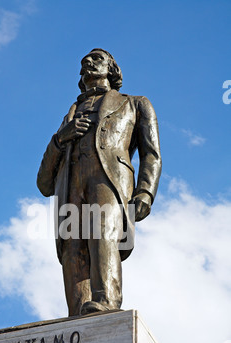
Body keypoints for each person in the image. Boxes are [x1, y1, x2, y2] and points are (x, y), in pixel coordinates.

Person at [37, 49, 162, 316]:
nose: (88, 63)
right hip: (70, 185)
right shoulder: (69, 116)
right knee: (72, 250)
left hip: (109, 182)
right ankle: (77, 314)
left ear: (112, 69)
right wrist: (60, 139)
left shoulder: (135, 103)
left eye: (96, 59)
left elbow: (152, 155)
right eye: (84, 62)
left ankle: (106, 303)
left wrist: (145, 193)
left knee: (103, 234)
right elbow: (44, 183)